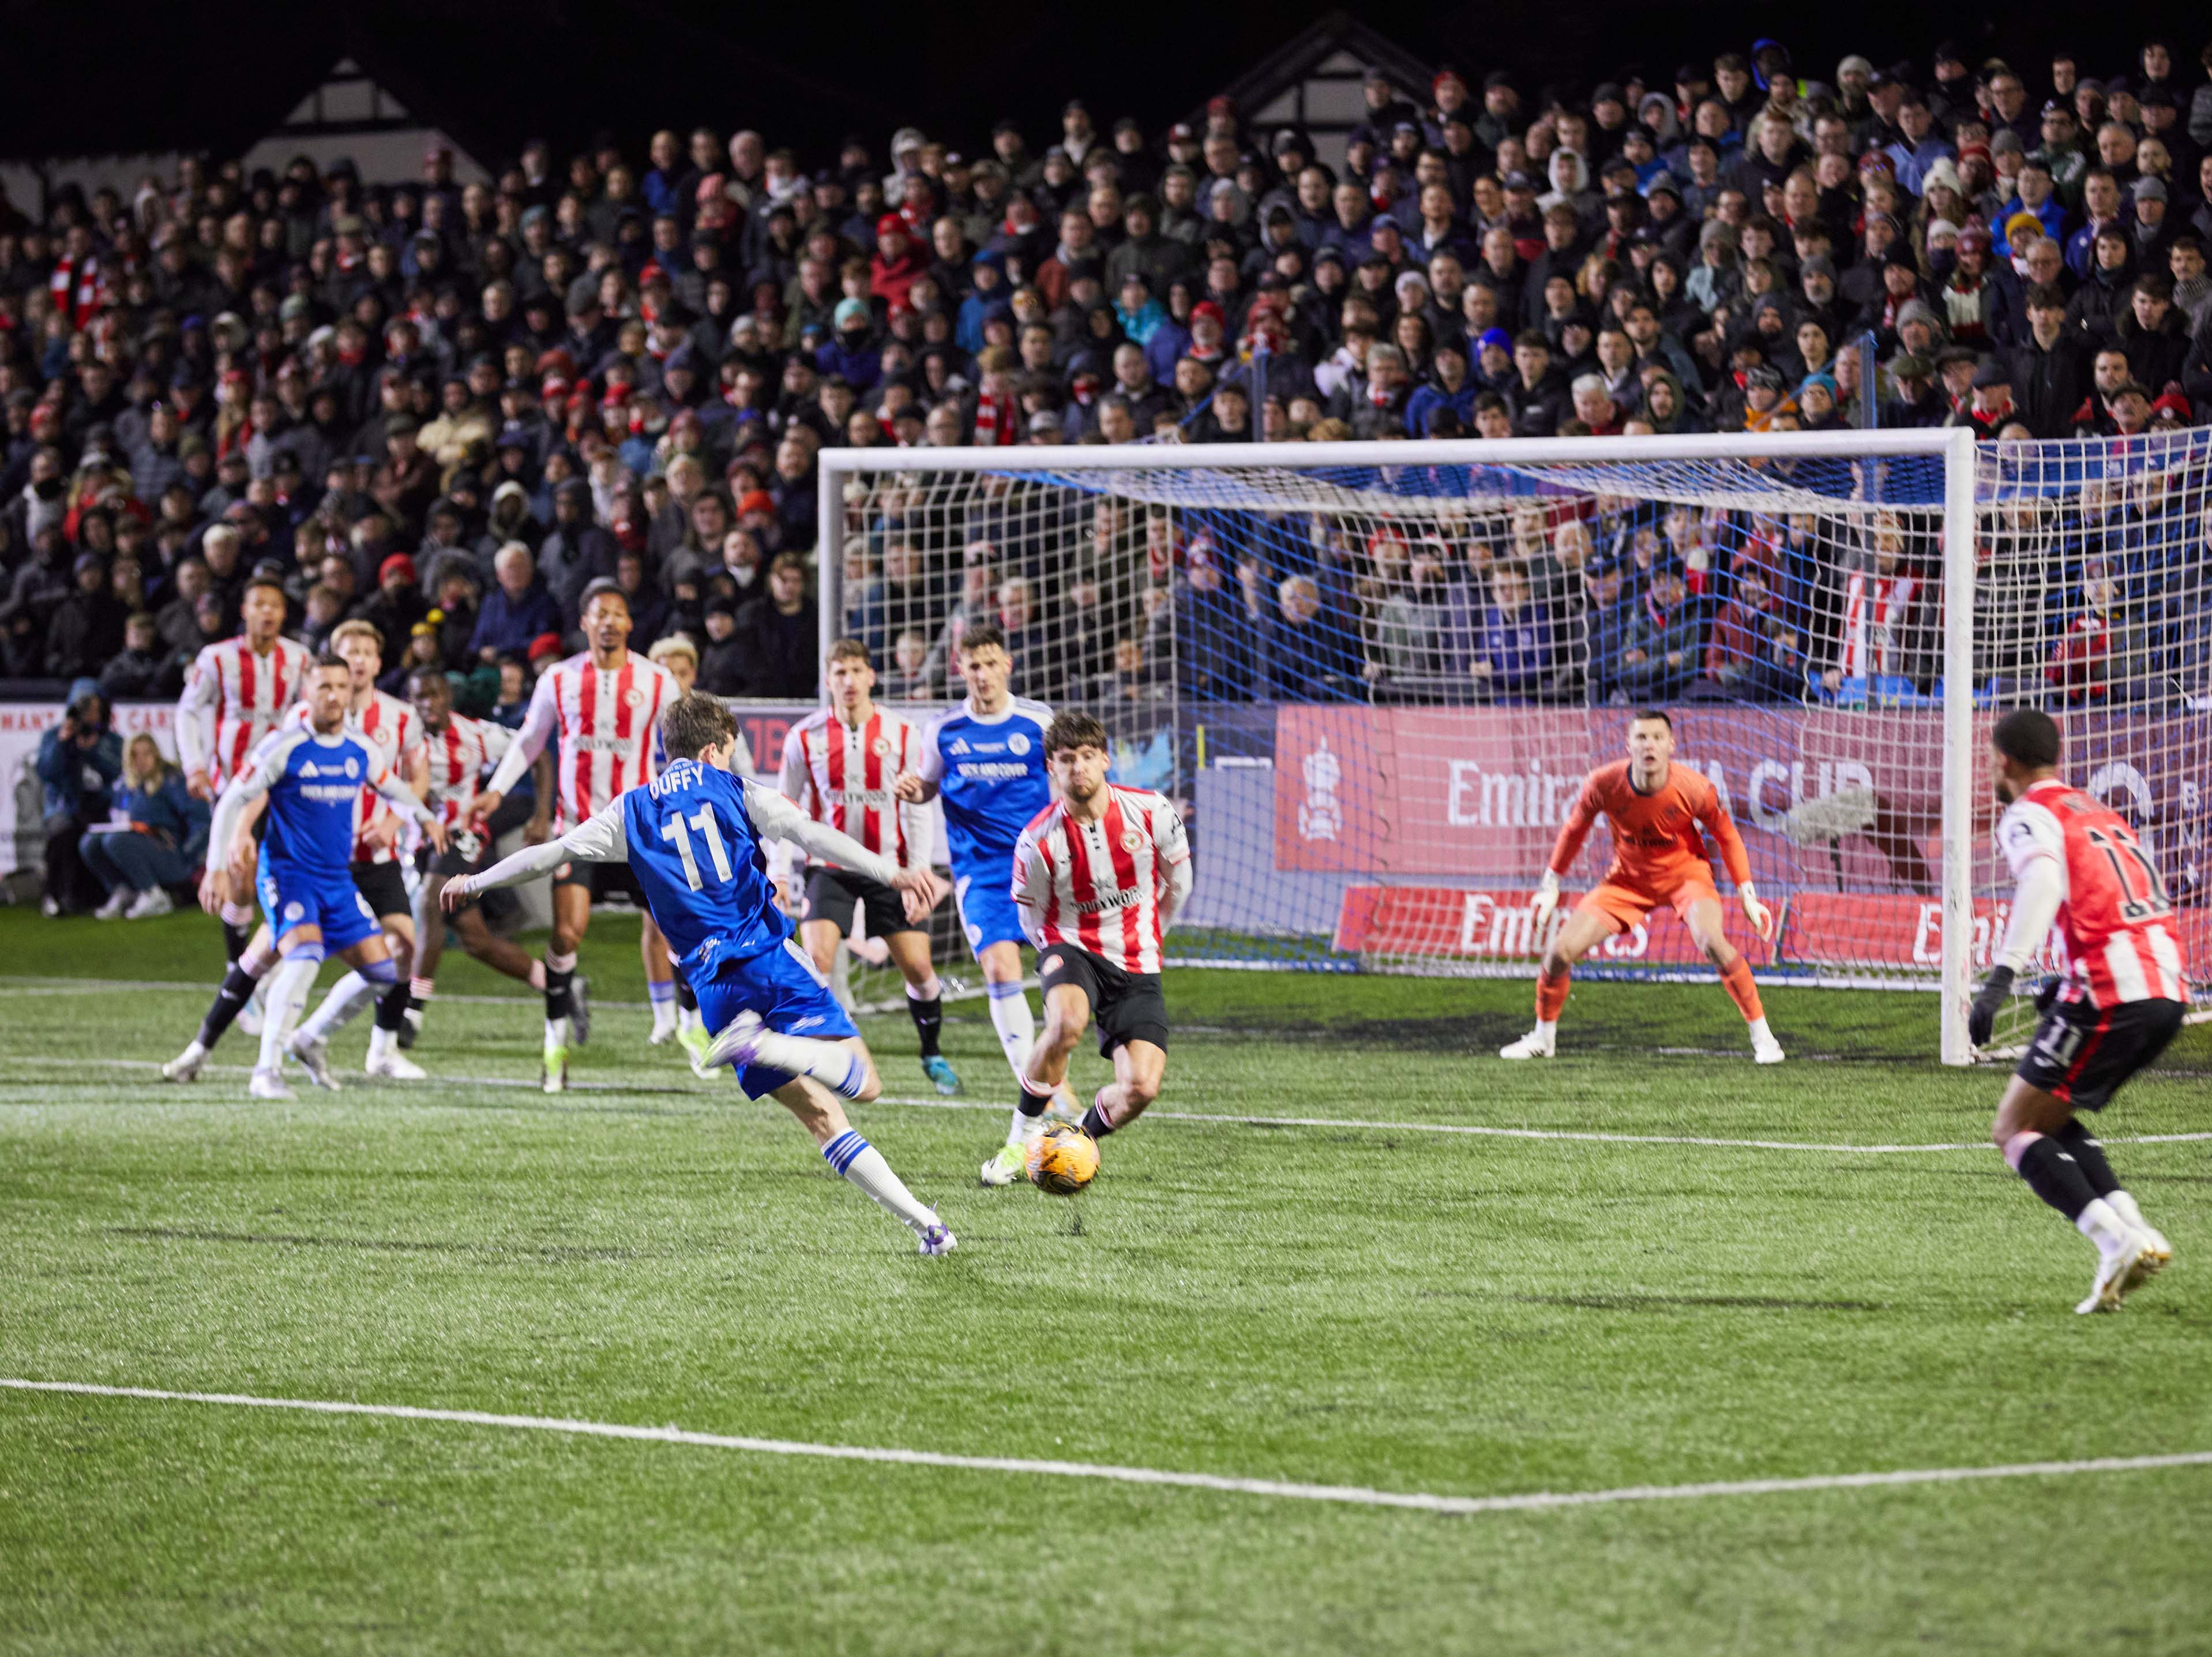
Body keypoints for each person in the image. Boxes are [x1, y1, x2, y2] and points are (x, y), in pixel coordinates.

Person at [447, 691, 957, 1257]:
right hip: (767, 958)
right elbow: (812, 834)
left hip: (715, 991)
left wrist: (477, 881)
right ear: (714, 750)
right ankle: (768, 1046)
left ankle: (927, 1226)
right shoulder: (737, 789)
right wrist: (891, 872)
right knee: (865, 1083)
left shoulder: (629, 809)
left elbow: (551, 853)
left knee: (820, 1116)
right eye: (730, 751)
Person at [1967, 708, 2185, 1314]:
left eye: (1990, 760)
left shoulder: (2028, 812)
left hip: (2112, 989)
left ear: (2003, 761)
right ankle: (2135, 1230)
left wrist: (2002, 976)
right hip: (2165, 985)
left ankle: (2114, 1242)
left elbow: (2041, 882)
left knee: (2012, 1128)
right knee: (2050, 1112)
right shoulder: (2098, 812)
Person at [176, 656, 446, 1099]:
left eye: (341, 686)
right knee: (303, 958)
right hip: (288, 875)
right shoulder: (284, 747)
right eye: (324, 687)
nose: (334, 696)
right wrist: (217, 867)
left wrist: (423, 816)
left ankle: (308, 1037)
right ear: (306, 692)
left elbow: (392, 787)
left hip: (336, 880)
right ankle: (265, 1073)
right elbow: (232, 800)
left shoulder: (359, 749)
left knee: (383, 972)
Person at [467, 579, 698, 1089]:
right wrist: (497, 791)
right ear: (585, 622)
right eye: (600, 613)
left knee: (679, 928)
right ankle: (554, 1045)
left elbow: (685, 743)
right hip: (580, 830)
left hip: (641, 830)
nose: (609, 621)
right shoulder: (559, 678)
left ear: (629, 624)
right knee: (566, 935)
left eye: (617, 613)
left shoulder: (657, 680)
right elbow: (530, 740)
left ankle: (691, 1024)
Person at [892, 621, 1079, 1184]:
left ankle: (1055, 1075)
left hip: (1042, 864)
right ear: (961, 669)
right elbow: (928, 786)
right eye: (972, 665)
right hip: (981, 871)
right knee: (1000, 968)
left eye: (990, 663)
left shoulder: (1037, 722)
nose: (982, 673)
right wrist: (914, 790)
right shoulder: (943, 729)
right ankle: (1045, 1090)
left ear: (1007, 666)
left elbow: (1065, 785)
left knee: (1064, 981)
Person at [1501, 709, 1782, 1063]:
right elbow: (1575, 829)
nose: (1650, 745)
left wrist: (1747, 895)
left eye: (1657, 738)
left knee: (1713, 943)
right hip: (1627, 882)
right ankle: (1543, 1038)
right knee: (1558, 953)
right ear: (1628, 745)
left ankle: (1764, 1039)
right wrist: (1550, 884)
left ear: (1671, 745)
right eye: (1642, 738)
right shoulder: (1604, 784)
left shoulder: (1695, 788)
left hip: (1687, 878)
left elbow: (1727, 834)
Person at [1008, 711, 1192, 1163]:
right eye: (1067, 759)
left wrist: (1152, 933)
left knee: (1141, 1088)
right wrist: (1054, 955)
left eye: (1088, 756)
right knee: (1066, 1023)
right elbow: (1030, 917)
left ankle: (1072, 1143)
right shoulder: (1037, 842)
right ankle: (1018, 1141)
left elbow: (1178, 883)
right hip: (1071, 946)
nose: (1079, 768)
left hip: (1136, 957)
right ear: (1051, 767)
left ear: (1106, 760)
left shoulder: (1151, 812)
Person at [778, 639, 957, 1094]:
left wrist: (919, 870)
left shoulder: (903, 733)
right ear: (828, 680)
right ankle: (819, 1058)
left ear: (872, 676)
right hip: (829, 866)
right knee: (816, 962)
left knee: (918, 969)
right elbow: (782, 808)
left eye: (857, 671)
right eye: (840, 672)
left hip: (890, 868)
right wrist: (778, 873)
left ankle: (931, 1052)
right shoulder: (804, 737)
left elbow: (916, 807)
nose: (849, 681)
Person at [282, 620, 431, 1079]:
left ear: (379, 663)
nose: (359, 660)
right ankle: (245, 1050)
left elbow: (418, 778)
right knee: (277, 955)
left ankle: (377, 1050)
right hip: (320, 862)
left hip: (378, 859)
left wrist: (391, 822)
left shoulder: (401, 716)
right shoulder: (302, 717)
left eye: (367, 652)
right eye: (350, 652)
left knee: (404, 948)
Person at [174, 574, 314, 1025]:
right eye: (259, 604)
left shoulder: (299, 657)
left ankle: (258, 966)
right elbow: (189, 711)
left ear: (284, 614)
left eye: (275, 605)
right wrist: (195, 765)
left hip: (286, 784)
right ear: (244, 611)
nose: (267, 612)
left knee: (291, 872)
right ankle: (239, 970)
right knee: (242, 874)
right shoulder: (217, 658)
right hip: (235, 783)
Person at [398, 666, 550, 1048]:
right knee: (476, 940)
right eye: (419, 697)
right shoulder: (401, 738)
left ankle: (412, 1009)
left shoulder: (476, 734)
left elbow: (537, 753)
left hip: (463, 834)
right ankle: (555, 983)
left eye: (434, 695)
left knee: (429, 900)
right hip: (419, 844)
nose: (427, 704)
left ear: (448, 697)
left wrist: (543, 813)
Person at [84, 733, 209, 920]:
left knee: (116, 841)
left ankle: (153, 894)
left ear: (156, 755)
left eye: (147, 753)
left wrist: (189, 855)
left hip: (169, 850)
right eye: (135, 755)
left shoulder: (171, 781)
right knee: (90, 843)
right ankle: (123, 891)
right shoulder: (124, 786)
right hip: (134, 844)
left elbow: (201, 820)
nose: (141, 760)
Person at [33, 683, 122, 915]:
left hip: (101, 807)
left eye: (93, 709)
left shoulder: (111, 740)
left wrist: (93, 751)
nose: (88, 715)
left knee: (99, 833)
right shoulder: (54, 736)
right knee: (63, 831)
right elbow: (47, 772)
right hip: (64, 806)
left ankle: (100, 895)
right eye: (84, 709)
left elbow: (118, 773)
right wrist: (63, 743)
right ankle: (55, 895)